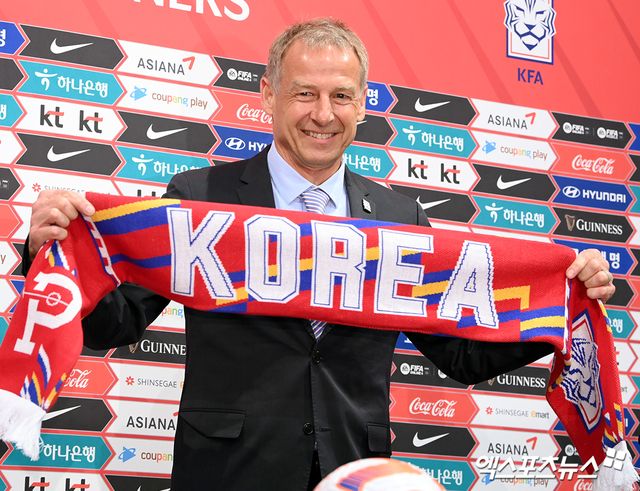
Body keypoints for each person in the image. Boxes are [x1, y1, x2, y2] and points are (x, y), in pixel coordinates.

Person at [25, 18, 615, 491]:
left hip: (354, 467)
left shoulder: (400, 219)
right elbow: (117, 322)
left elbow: (461, 356)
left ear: (364, 103)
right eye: (304, 93)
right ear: (268, 93)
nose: (323, 114)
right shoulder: (199, 198)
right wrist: (48, 252)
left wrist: (557, 308)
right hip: (229, 471)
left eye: (341, 96)